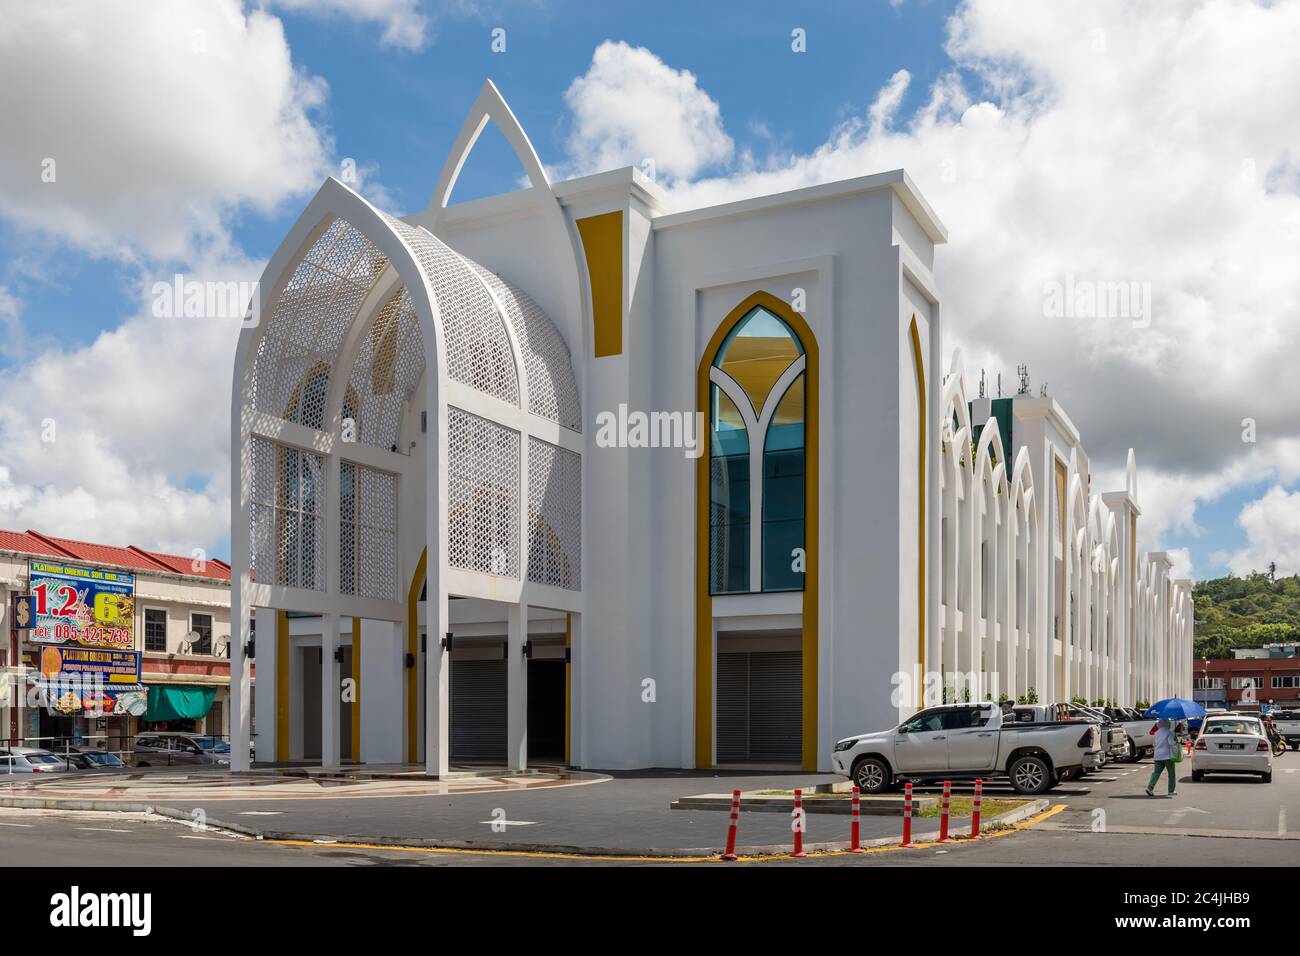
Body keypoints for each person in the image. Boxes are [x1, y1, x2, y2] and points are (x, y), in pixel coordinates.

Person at [1146, 717, 1178, 797]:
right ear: (1167, 724)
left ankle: (1150, 787)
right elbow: (1171, 743)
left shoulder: (1156, 733)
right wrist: (1175, 740)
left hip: (1157, 756)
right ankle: (1171, 790)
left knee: (1156, 773)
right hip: (1167, 756)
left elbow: (1154, 744)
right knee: (1171, 773)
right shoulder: (1169, 732)